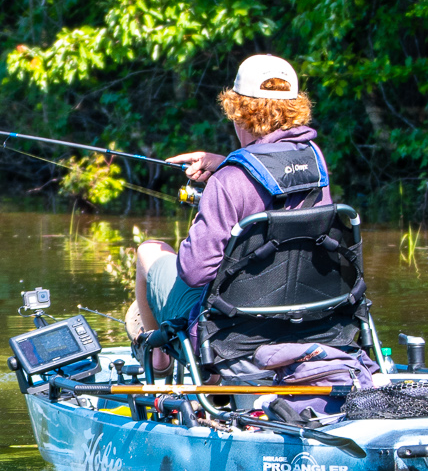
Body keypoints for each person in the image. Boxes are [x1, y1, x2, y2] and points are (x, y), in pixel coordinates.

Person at [128, 54, 332, 374]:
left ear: (238, 112)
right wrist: (225, 164)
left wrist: (206, 214)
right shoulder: (314, 162)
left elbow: (194, 273)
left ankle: (159, 359)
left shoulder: (227, 182)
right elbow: (272, 184)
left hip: (231, 334)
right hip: (305, 320)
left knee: (148, 251)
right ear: (295, 109)